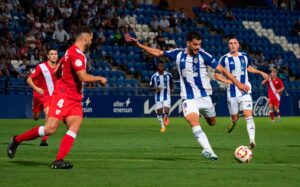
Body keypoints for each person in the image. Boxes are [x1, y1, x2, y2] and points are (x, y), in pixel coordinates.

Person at [128, 31, 249, 160]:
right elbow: (157, 53)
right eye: (195, 44)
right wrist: (139, 45)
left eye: (199, 44)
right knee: (193, 121)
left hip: (204, 96)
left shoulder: (204, 56)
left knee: (212, 122)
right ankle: (208, 150)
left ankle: (202, 114)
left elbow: (223, 70)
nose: (198, 47)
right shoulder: (178, 54)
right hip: (188, 97)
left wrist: (238, 84)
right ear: (188, 43)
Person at [7, 26, 107, 169]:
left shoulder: (69, 52)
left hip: (75, 99)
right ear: (85, 38)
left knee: (74, 127)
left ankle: (59, 160)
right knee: (49, 129)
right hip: (64, 97)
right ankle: (16, 140)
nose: (91, 41)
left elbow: (55, 71)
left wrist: (64, 79)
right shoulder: (76, 54)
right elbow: (83, 77)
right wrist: (100, 78)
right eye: (91, 38)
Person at [214, 36, 268, 149]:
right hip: (232, 93)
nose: (233, 45)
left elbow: (248, 68)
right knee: (235, 118)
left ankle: (252, 141)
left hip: (245, 90)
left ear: (238, 45)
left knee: (248, 115)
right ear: (228, 46)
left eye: (235, 43)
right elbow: (216, 75)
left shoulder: (244, 56)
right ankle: (233, 122)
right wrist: (226, 80)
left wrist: (260, 72)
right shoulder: (224, 59)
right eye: (230, 43)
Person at [26, 48, 58, 146]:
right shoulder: (41, 67)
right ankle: (36, 115)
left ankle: (43, 140)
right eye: (51, 54)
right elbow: (28, 79)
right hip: (38, 95)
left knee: (48, 116)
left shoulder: (60, 67)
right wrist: (36, 88)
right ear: (48, 56)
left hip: (49, 96)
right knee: (36, 117)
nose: (54, 56)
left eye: (56, 54)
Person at [149, 61, 173, 133]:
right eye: (159, 66)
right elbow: (150, 87)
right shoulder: (154, 76)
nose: (161, 67)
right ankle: (162, 126)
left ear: (164, 66)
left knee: (166, 110)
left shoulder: (169, 75)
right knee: (159, 112)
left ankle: (166, 116)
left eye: (162, 66)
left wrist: (172, 89)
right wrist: (156, 88)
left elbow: (171, 84)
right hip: (158, 96)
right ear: (157, 67)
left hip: (167, 95)